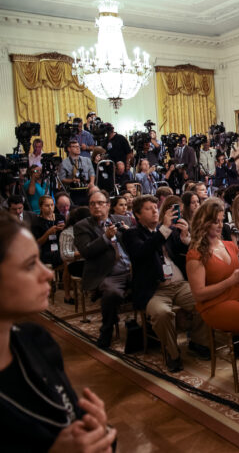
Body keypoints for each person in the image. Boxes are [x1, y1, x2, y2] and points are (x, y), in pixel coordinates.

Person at [0, 213, 118, 452]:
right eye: (30, 264)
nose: (48, 274)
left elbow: (69, 419)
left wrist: (96, 432)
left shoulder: (36, 339)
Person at [123, 196, 210, 372]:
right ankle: (172, 353)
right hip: (154, 290)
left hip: (178, 284)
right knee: (162, 313)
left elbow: (185, 253)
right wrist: (163, 228)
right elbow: (143, 252)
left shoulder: (169, 231)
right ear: (137, 215)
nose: (155, 210)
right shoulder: (132, 234)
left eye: (156, 207)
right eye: (149, 208)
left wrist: (186, 237)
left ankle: (197, 341)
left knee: (204, 300)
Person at [185, 198, 239, 337]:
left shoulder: (230, 245)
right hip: (214, 304)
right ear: (204, 222)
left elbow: (238, 279)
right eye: (215, 221)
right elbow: (199, 294)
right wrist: (230, 281)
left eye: (221, 220)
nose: (220, 225)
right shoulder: (196, 254)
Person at [73, 190, 132, 348]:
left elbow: (136, 243)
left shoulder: (123, 219)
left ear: (108, 205)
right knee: (111, 293)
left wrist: (129, 233)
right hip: (108, 273)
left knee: (153, 281)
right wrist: (105, 237)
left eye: (100, 203)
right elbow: (86, 251)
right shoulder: (82, 226)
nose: (96, 207)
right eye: (92, 204)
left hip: (131, 269)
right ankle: (107, 329)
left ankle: (148, 326)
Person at [31, 195, 64, 270]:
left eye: (52, 205)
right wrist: (48, 233)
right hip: (46, 251)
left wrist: (65, 229)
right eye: (47, 206)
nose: (50, 208)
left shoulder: (60, 218)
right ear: (40, 207)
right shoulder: (36, 222)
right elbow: (37, 243)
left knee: (66, 256)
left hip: (60, 248)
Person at [58, 140, 95, 206]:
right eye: (75, 147)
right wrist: (72, 180)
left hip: (86, 190)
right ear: (69, 149)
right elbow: (62, 179)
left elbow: (92, 173)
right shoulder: (64, 163)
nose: (78, 148)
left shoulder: (87, 160)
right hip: (73, 191)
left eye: (78, 146)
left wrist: (91, 182)